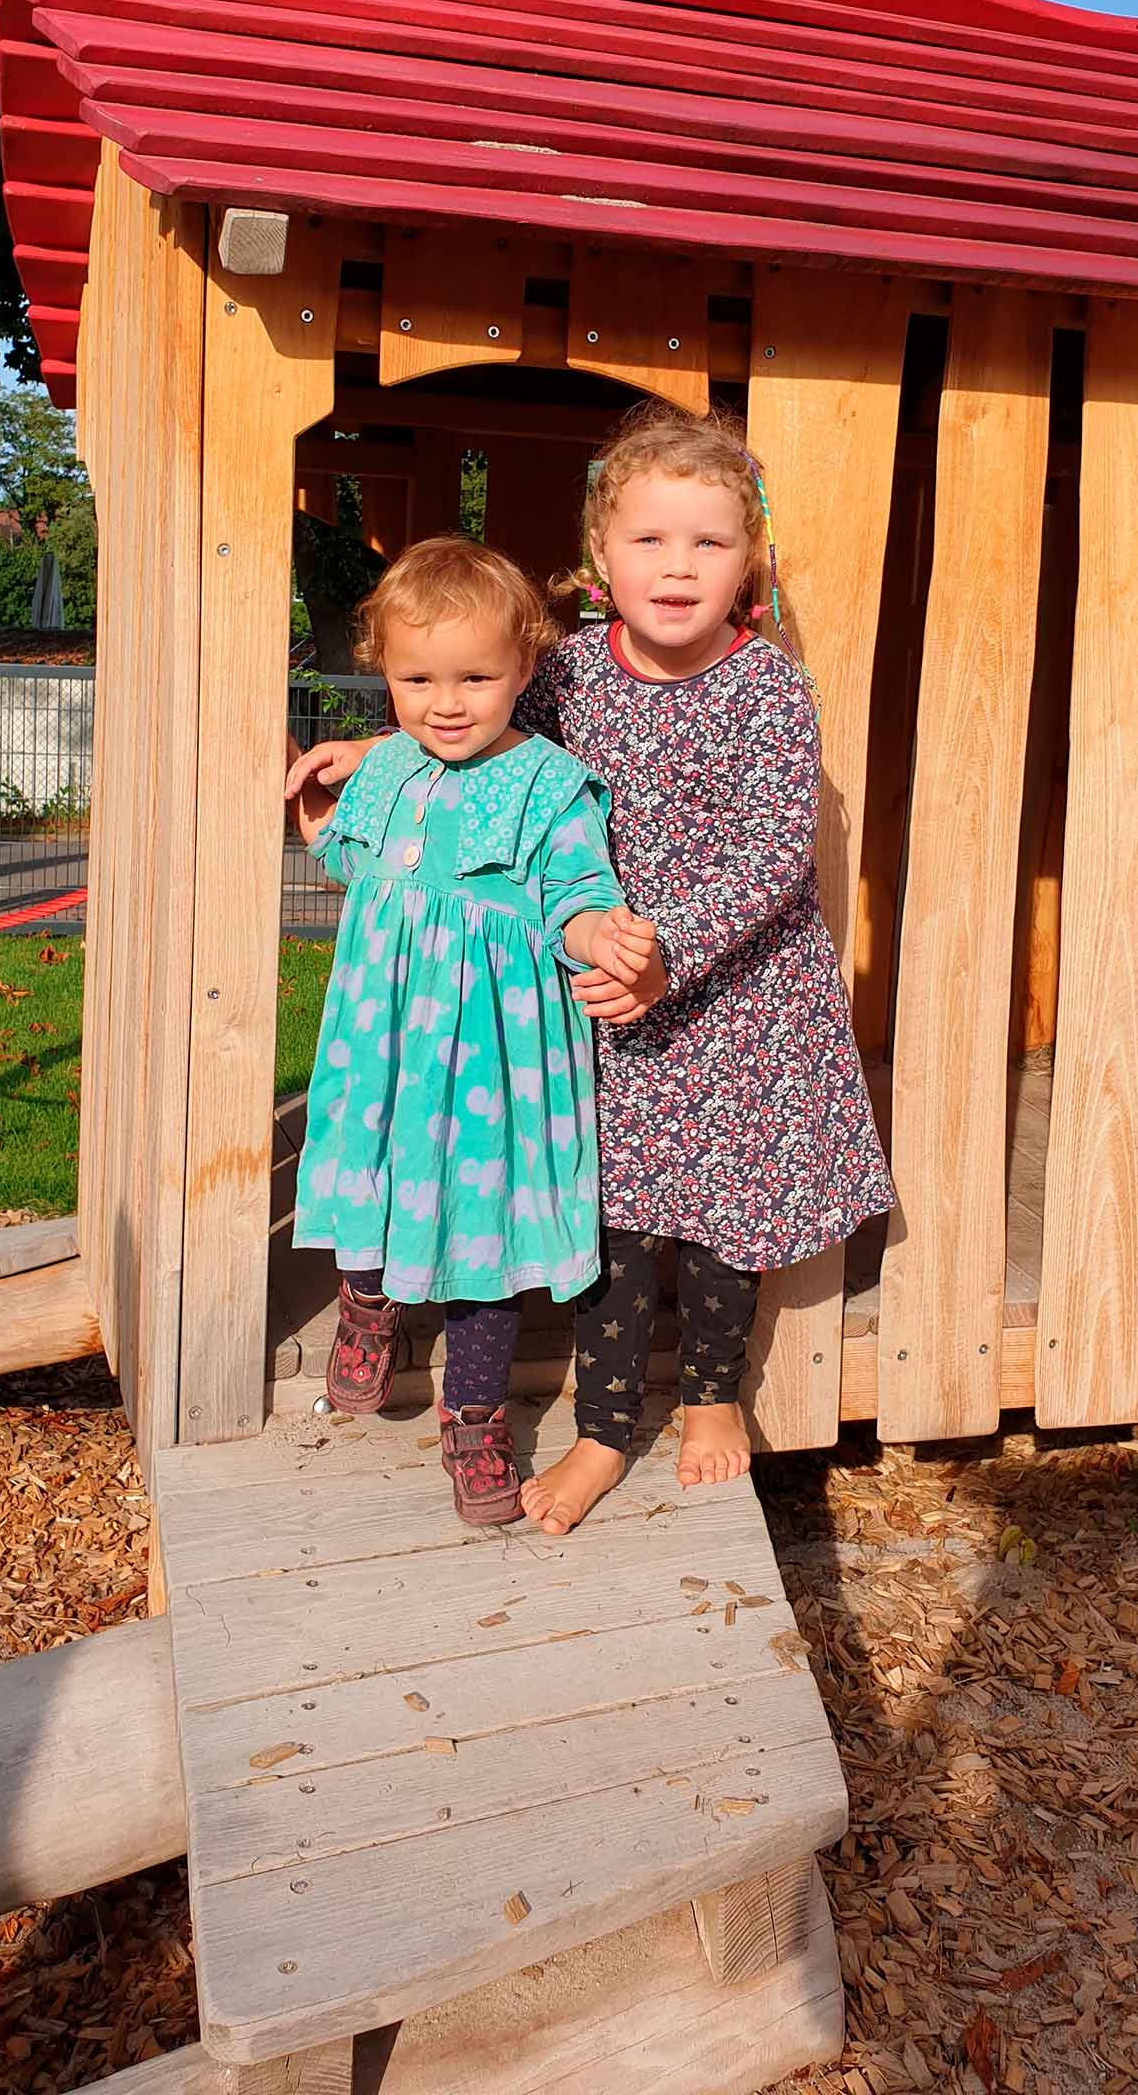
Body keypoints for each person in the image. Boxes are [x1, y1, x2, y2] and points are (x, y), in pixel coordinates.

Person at [291, 406, 893, 1535]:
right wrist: (380, 749)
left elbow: (773, 851)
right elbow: (473, 715)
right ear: (599, 558)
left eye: (709, 543)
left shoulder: (769, 691)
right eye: (650, 542)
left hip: (737, 997)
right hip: (602, 990)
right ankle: (608, 1430)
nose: (678, 567)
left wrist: (671, 949)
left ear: (747, 559)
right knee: (613, 1218)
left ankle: (714, 1400)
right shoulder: (567, 672)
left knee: (724, 1217)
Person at [287, 535, 656, 1525]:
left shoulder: (549, 784)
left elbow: (577, 890)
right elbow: (358, 872)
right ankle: (367, 1303)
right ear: (385, 671)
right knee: (368, 1171)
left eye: (476, 677)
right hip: (386, 1046)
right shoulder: (385, 772)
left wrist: (595, 932)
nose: (445, 701)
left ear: (525, 669)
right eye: (417, 679)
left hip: (497, 1060)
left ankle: (476, 1412)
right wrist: (322, 821)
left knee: (483, 1236)